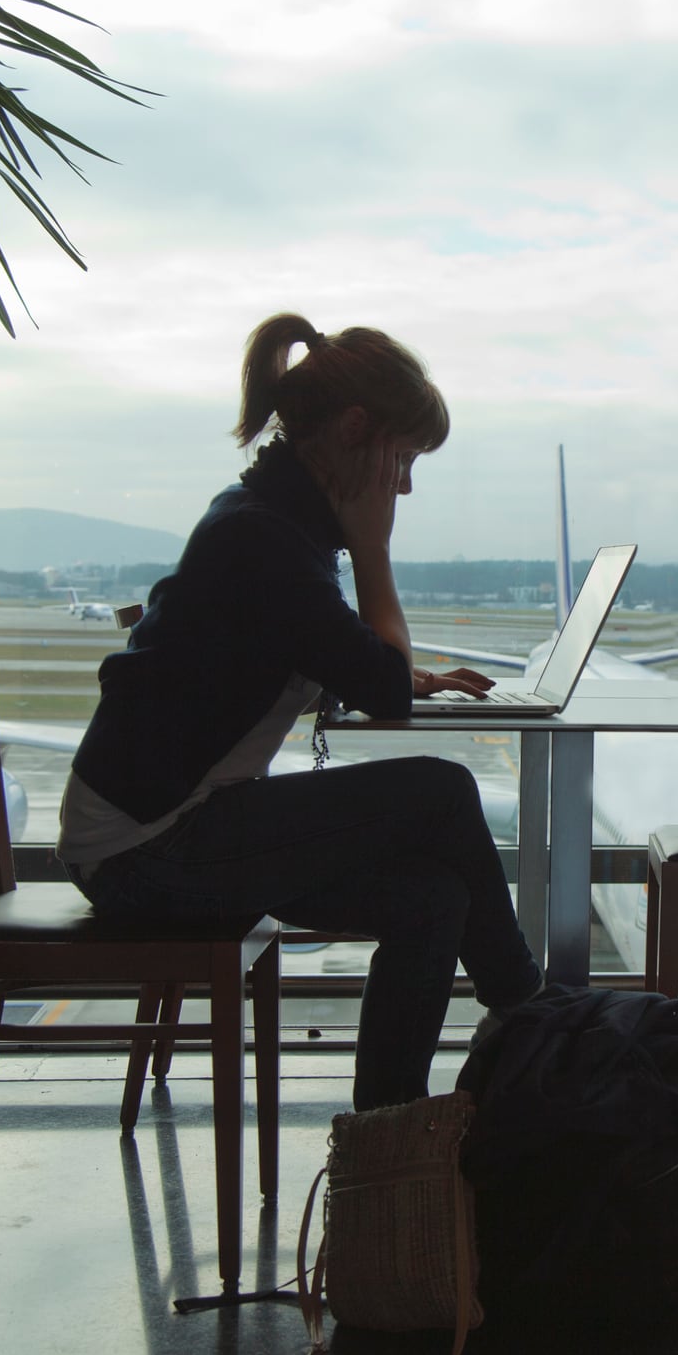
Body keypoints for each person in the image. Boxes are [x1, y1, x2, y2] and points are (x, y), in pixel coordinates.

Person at [56, 312, 542, 1110]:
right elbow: (377, 694)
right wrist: (376, 551)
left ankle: (389, 1133)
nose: (406, 486)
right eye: (405, 460)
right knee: (444, 791)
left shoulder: (271, 522)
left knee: (434, 901)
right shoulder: (268, 539)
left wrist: (400, 670)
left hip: (164, 836)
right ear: (356, 431)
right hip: (147, 854)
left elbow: (322, 657)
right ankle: (528, 1009)